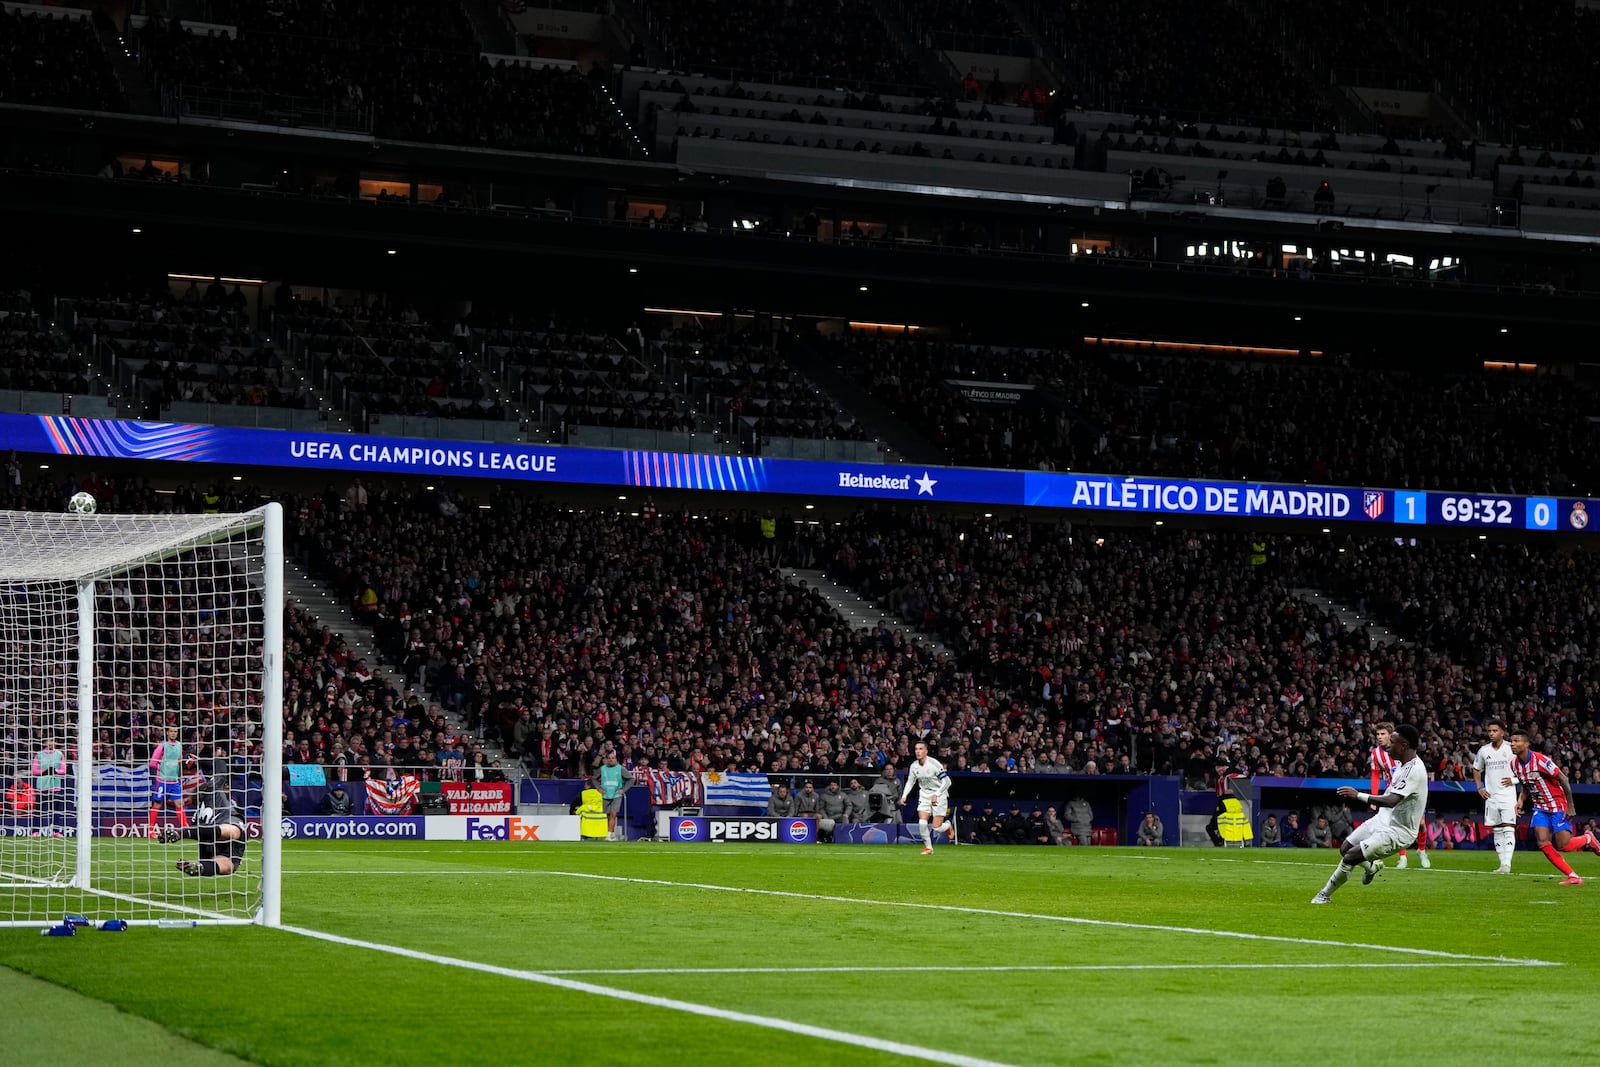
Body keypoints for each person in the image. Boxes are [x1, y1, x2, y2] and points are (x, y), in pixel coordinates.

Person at [1312, 723, 1428, 904]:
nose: (1389, 745)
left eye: (1393, 741)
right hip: (1385, 818)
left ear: (1404, 746)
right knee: (1345, 849)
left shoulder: (1414, 770)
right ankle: (1372, 868)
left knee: (1351, 857)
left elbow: (1391, 800)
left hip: (1399, 831)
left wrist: (1357, 795)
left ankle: (1323, 895)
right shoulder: (1402, 764)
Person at [1510, 730, 1600, 884]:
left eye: (1517, 741)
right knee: (1542, 841)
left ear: (1526, 744)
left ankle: (1588, 838)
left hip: (1557, 804)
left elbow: (1563, 778)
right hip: (1540, 807)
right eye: (1511, 741)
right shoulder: (1514, 764)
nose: (1512, 744)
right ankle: (1573, 876)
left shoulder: (1540, 760)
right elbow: (1526, 785)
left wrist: (1570, 805)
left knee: (1564, 845)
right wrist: (1520, 800)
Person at [1372, 722, 1429, 868]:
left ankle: (1421, 851)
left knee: (1421, 824)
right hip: (1392, 794)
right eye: (1377, 734)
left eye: (1383, 734)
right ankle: (1402, 858)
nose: (1380, 737)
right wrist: (1374, 797)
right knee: (1394, 824)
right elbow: (1375, 775)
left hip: (1410, 792)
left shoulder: (1403, 750)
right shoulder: (1376, 754)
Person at [158, 785, 246, 877]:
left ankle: (200, 866)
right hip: (222, 826)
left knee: (228, 864)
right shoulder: (216, 792)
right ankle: (180, 834)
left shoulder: (199, 815)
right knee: (230, 860)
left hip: (214, 831)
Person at [1472, 718, 1518, 874]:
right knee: (1497, 830)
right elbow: (1476, 769)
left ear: (1502, 733)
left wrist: (1514, 780)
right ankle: (1502, 864)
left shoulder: (1511, 749)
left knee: (1509, 828)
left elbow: (1525, 768)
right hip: (1491, 796)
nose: (1491, 733)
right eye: (1489, 731)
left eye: (1495, 731)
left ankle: (1507, 864)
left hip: (1508, 795)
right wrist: (1479, 787)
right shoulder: (1484, 750)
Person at [900, 742, 953, 854]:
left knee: (936, 828)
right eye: (916, 749)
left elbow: (947, 782)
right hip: (924, 794)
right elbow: (910, 782)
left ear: (926, 751)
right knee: (922, 823)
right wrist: (904, 796)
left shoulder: (934, 764)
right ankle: (929, 848)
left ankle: (947, 826)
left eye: (920, 749)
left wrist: (937, 794)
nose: (918, 751)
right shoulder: (914, 766)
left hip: (939, 794)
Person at [147, 725, 191, 834]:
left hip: (174, 782)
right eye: (171, 731)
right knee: (157, 804)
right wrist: (162, 767)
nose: (173, 733)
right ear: (167, 733)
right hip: (162, 781)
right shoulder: (162, 746)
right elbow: (152, 763)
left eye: (175, 731)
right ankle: (151, 830)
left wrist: (187, 764)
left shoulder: (179, 746)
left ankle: (185, 828)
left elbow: (179, 761)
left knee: (180, 804)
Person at [31, 737, 67, 837]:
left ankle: (56, 831)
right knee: (39, 810)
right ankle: (35, 831)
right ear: (45, 743)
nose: (51, 743)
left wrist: (55, 771)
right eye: (49, 741)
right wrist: (44, 772)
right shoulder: (39, 755)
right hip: (42, 786)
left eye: (53, 741)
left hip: (55, 785)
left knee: (56, 810)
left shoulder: (60, 754)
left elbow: (64, 770)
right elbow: (34, 771)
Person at [597, 751, 633, 841]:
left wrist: (623, 790)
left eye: (613, 758)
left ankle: (608, 835)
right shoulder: (602, 769)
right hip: (606, 794)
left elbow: (631, 779)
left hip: (616, 795)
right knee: (608, 816)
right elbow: (594, 778)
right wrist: (599, 788)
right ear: (607, 760)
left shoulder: (620, 768)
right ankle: (612, 833)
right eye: (609, 758)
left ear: (616, 759)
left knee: (613, 814)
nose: (611, 760)